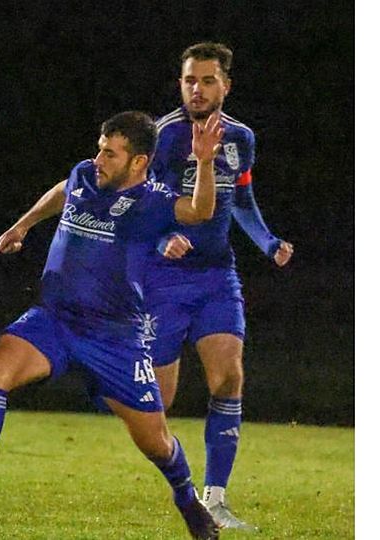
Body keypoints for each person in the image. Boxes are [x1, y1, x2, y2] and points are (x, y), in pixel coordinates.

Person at [0, 111, 224, 539]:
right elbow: (64, 191)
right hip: (54, 321)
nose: (98, 158)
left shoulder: (151, 202)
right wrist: (24, 224)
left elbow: (200, 210)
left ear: (138, 162)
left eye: (110, 153)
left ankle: (188, 501)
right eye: (99, 148)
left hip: (116, 338)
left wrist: (204, 163)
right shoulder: (84, 175)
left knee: (155, 441)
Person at [146, 42, 294, 531]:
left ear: (225, 86)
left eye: (208, 80)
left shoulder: (241, 138)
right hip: (163, 280)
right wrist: (166, 236)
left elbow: (242, 200)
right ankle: (184, 491)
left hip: (215, 275)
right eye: (190, 80)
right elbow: (145, 204)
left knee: (228, 377)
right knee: (158, 403)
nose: (197, 89)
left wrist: (268, 241)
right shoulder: (164, 137)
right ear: (180, 83)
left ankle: (215, 499)